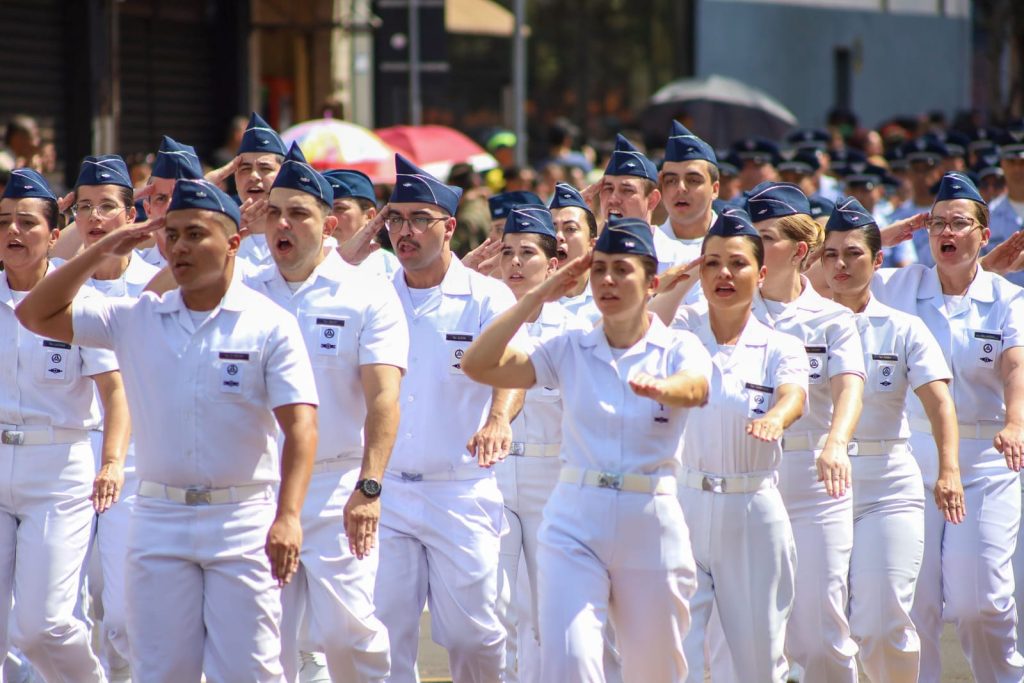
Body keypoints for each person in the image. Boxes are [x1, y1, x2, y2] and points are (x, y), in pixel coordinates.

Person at [16, 177, 320, 682]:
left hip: (241, 519)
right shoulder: (137, 317)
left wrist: (289, 515)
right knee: (159, 671)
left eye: (195, 234)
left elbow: (301, 425)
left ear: (234, 243)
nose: (179, 247)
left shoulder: (268, 323)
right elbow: (34, 312)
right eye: (172, 234)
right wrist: (101, 250)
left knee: (251, 672)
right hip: (159, 519)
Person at [461, 215, 711, 682]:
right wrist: (538, 294)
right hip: (575, 515)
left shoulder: (678, 345)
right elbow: (479, 364)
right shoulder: (570, 346)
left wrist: (661, 387)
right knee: (571, 662)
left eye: (622, 269)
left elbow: (694, 388)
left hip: (649, 515)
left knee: (654, 669)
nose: (608, 281)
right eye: (599, 270)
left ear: (652, 281)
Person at [251, 144, 406, 682]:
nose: (283, 225)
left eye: (298, 213)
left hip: (336, 484)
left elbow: (385, 396)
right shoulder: (246, 293)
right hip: (260, 486)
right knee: (262, 641)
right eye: (273, 212)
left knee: (348, 635)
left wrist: (369, 487)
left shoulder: (367, 295)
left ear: (331, 224)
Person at [372, 154, 523, 683]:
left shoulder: (485, 296)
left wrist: (499, 419)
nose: (404, 231)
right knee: (381, 630)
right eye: (394, 218)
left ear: (450, 227)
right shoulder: (373, 295)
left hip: (459, 487)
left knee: (473, 635)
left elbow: (509, 372)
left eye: (419, 219)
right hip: (385, 488)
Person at [871, 173, 1024, 683]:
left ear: (985, 234)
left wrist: (1016, 422)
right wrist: (883, 237)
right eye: (937, 223)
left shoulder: (1005, 298)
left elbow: (1015, 366)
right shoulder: (898, 286)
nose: (946, 233)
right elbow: (816, 274)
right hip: (912, 454)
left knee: (979, 602)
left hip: (985, 455)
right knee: (914, 603)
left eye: (960, 223)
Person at [821, 196, 964, 682]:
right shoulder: (801, 326)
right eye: (831, 254)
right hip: (817, 488)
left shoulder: (903, 327)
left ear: (878, 261)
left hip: (887, 487)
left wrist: (949, 470)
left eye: (854, 254)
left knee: (883, 623)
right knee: (822, 629)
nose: (840, 265)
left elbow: (940, 402)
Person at [0, 168, 129, 683]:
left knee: (45, 626)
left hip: (58, 470)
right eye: (4, 220)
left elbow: (115, 393)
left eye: (27, 222)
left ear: (55, 235)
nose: (13, 231)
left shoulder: (81, 302)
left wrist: (114, 462)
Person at [671, 212, 807, 682]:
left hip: (752, 508)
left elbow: (793, 394)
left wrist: (775, 417)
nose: (723, 274)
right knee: (674, 657)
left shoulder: (779, 345)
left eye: (736, 263)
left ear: (762, 273)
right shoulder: (680, 331)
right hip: (684, 504)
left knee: (757, 663)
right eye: (711, 264)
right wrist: (678, 279)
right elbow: (639, 326)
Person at [69, 152, 160, 681]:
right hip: (67, 455)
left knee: (125, 611)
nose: (95, 217)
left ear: (131, 215)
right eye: (84, 207)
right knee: (73, 604)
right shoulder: (56, 281)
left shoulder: (160, 281)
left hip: (141, 461)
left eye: (107, 206)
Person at [491, 204, 588, 683]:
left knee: (546, 612)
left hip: (551, 480)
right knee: (494, 608)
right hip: (491, 477)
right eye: (507, 251)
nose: (513, 262)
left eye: (527, 253)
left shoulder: (573, 330)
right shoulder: (483, 318)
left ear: (553, 266)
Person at [599, 134, 689, 273]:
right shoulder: (585, 258)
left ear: (652, 200)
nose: (613, 199)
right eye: (608, 189)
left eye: (627, 190)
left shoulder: (681, 260)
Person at [657, 122, 719, 306]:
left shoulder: (738, 245)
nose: (680, 189)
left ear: (715, 189)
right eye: (671, 180)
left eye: (693, 180)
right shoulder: (644, 247)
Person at [137, 135, 205, 268]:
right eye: (161, 198)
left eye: (181, 196)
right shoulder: (132, 265)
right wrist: (124, 198)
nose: (170, 206)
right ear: (148, 209)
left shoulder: (230, 267)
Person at [322, 168, 399, 278]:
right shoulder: (307, 262)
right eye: (324, 209)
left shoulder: (388, 266)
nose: (329, 217)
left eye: (340, 208)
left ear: (369, 216)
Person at [235, 112, 288, 271]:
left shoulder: (302, 235)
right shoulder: (221, 237)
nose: (253, 176)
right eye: (245, 168)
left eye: (265, 168)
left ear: (283, 173)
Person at [890, 135, 950, 268]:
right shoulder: (896, 216)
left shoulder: (949, 213)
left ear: (939, 171)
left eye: (928, 169)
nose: (922, 175)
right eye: (916, 169)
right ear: (909, 173)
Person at [549, 183, 599, 325]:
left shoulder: (610, 292)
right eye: (552, 229)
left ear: (591, 243)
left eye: (570, 229)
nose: (558, 236)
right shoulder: (533, 298)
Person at [987, 122, 1024, 286]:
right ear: (1001, 163)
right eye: (1011, 162)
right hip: (1002, 307)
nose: (1018, 169)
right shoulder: (989, 214)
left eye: (1022, 162)